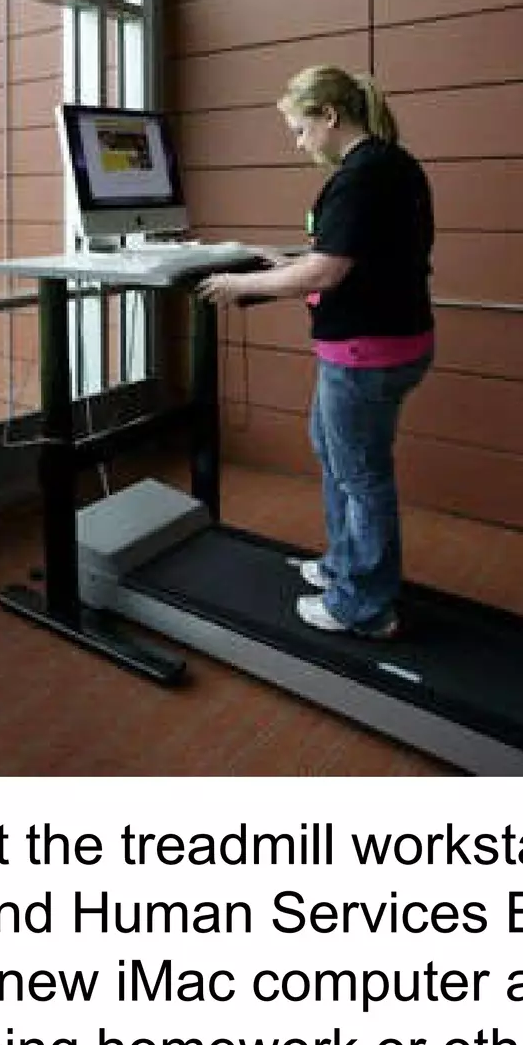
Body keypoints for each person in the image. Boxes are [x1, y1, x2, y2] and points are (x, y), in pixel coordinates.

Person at [196, 66, 435, 641]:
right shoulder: (391, 165)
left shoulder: (361, 175)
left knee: (361, 476)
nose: (298, 143)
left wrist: (241, 285)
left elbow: (329, 269)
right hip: (389, 340)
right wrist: (280, 265)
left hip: (365, 351)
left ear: (329, 116)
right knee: (336, 456)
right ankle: (341, 567)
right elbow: (352, 258)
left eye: (300, 130)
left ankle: (364, 606)